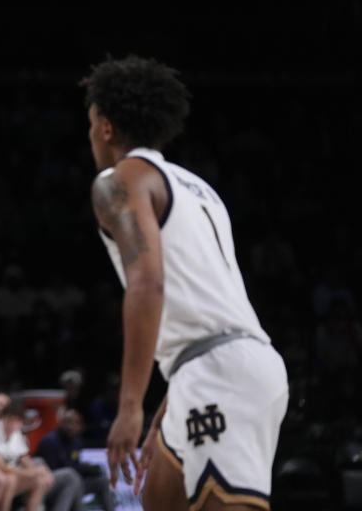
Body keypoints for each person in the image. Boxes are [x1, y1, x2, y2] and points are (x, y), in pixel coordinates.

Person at [82, 56, 289, 510]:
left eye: (92, 121)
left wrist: (131, 405)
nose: (92, 132)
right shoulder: (199, 188)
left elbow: (148, 284)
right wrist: (165, 411)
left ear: (107, 127)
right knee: (159, 499)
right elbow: (202, 306)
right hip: (213, 367)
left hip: (220, 372)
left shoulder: (117, 182)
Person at [34, 409, 114, 511]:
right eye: (68, 422)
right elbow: (53, 471)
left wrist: (87, 471)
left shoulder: (77, 442)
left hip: (74, 480)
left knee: (102, 481)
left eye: (76, 422)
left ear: (81, 426)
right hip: (50, 484)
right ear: (61, 423)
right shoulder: (50, 441)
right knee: (72, 478)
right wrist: (83, 470)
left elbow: (74, 464)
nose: (72, 426)